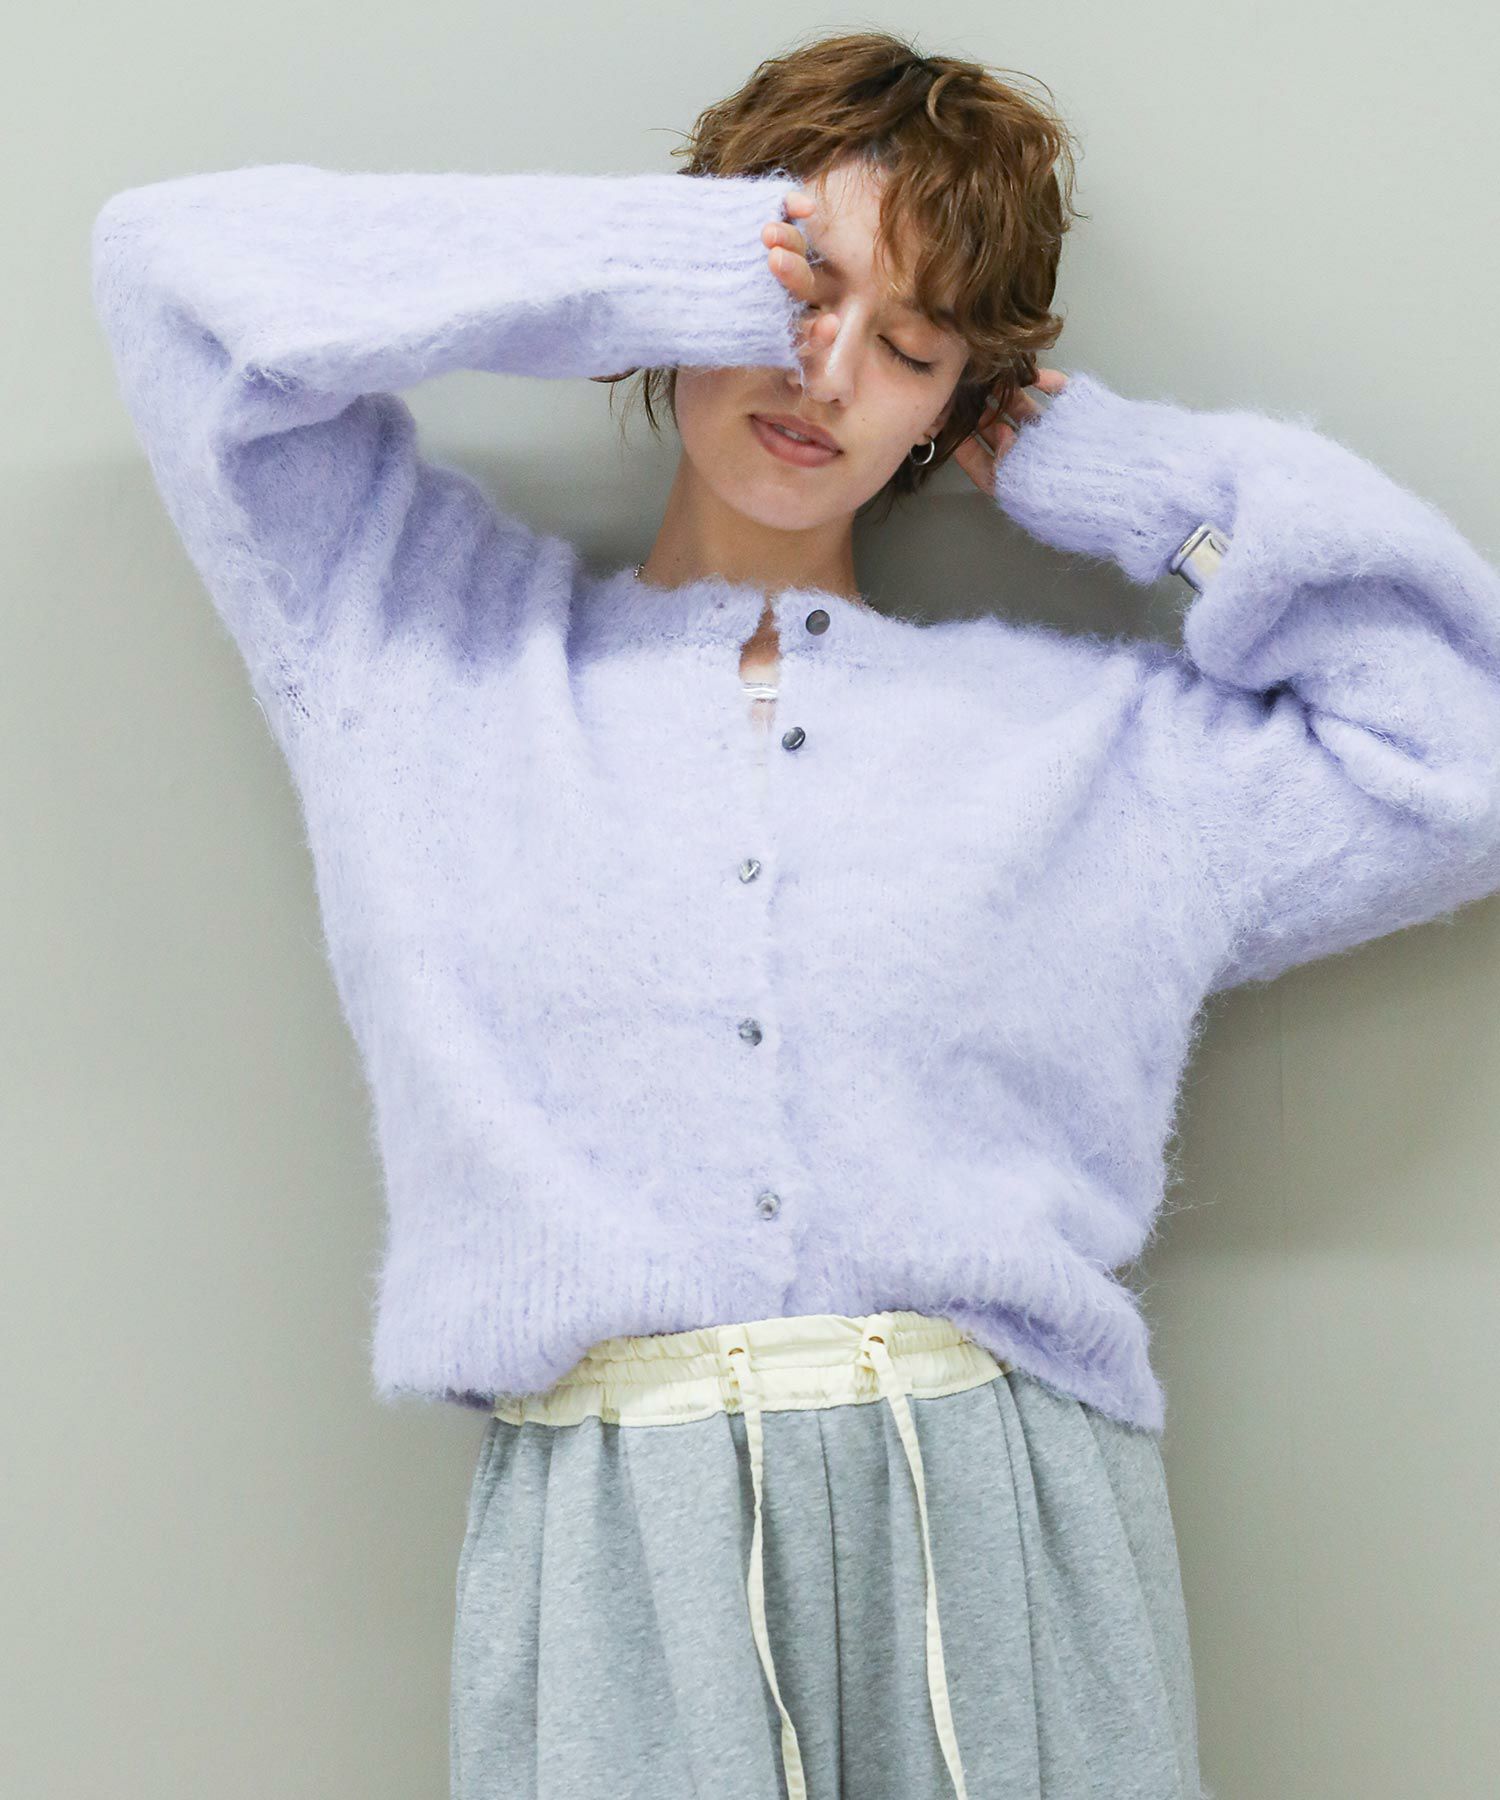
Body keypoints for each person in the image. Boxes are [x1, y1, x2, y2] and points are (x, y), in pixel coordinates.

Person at [89, 28, 1500, 1800]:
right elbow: (168, 275)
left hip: (1007, 1540)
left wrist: (1142, 491)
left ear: (952, 411)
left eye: (910, 347)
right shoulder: (418, 656)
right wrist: (650, 269)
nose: (827, 372)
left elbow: (1457, 753)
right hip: (623, 1553)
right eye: (795, 291)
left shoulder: (1090, 756)